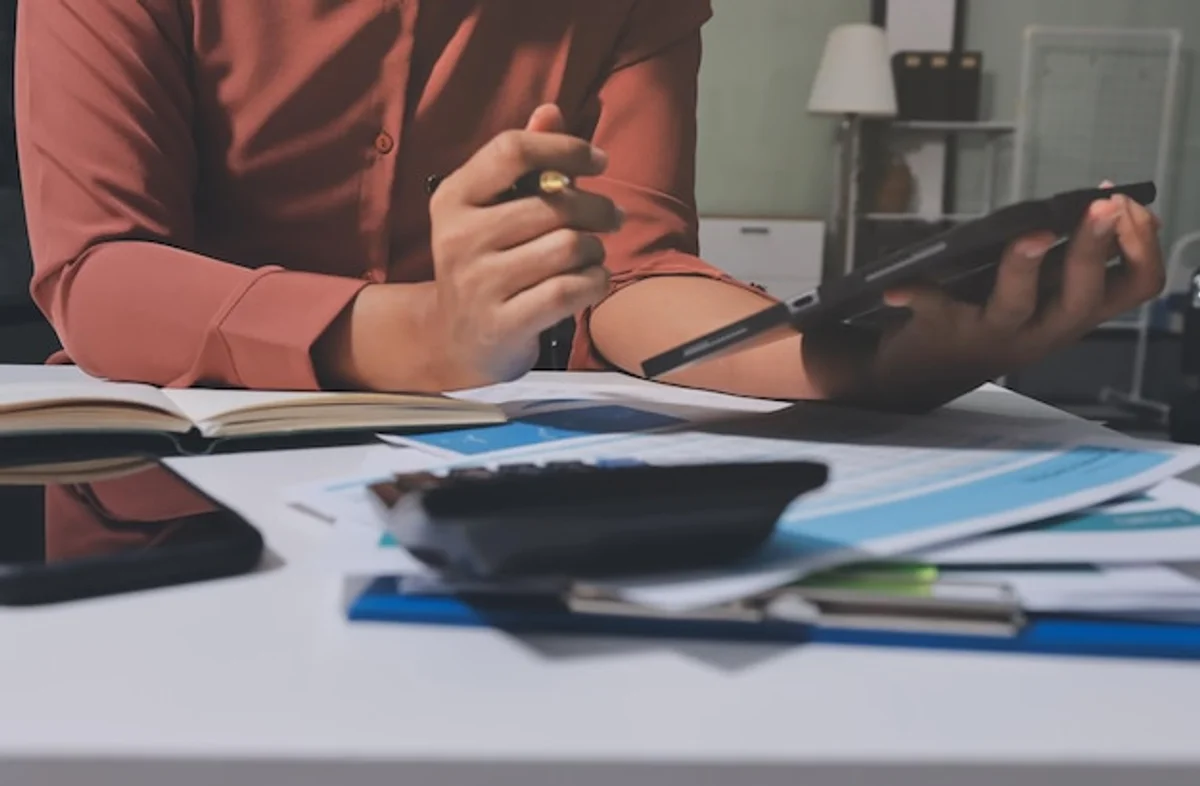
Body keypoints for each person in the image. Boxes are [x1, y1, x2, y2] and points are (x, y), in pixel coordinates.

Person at [16, 1, 1164, 413]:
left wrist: (860, 363)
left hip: (497, 463)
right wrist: (431, 333)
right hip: (170, 471)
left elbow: (635, 270)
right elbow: (100, 271)